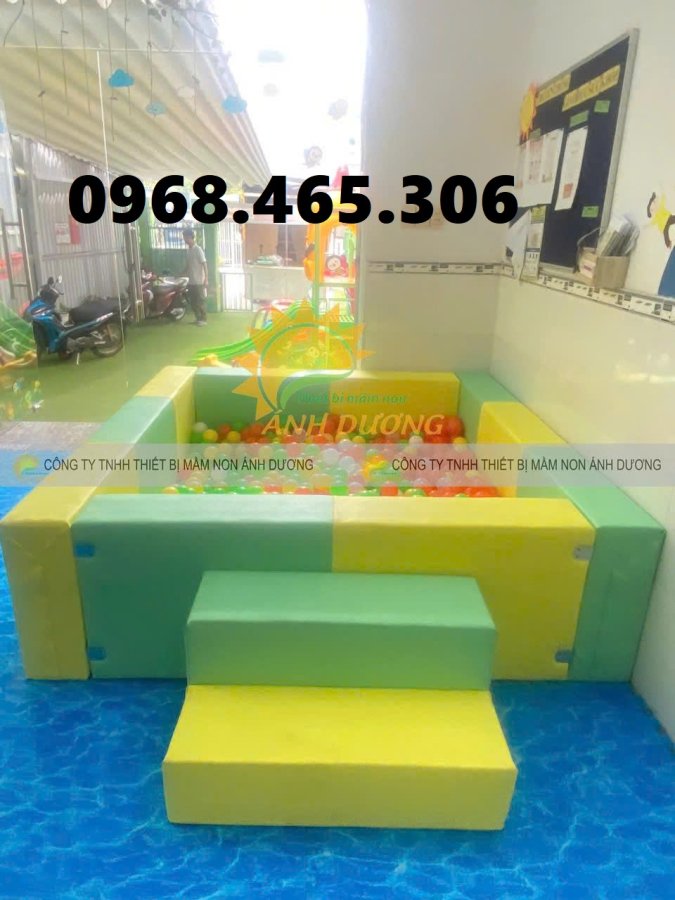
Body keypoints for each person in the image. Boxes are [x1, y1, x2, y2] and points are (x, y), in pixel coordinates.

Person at [182, 227, 208, 325]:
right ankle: (198, 318)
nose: (184, 240)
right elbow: (188, 265)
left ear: (190, 237)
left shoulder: (198, 249)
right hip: (191, 281)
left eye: (185, 237)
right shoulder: (188, 250)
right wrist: (182, 273)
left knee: (200, 301)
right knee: (193, 301)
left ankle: (203, 319)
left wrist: (206, 278)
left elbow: (204, 264)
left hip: (199, 281)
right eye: (184, 237)